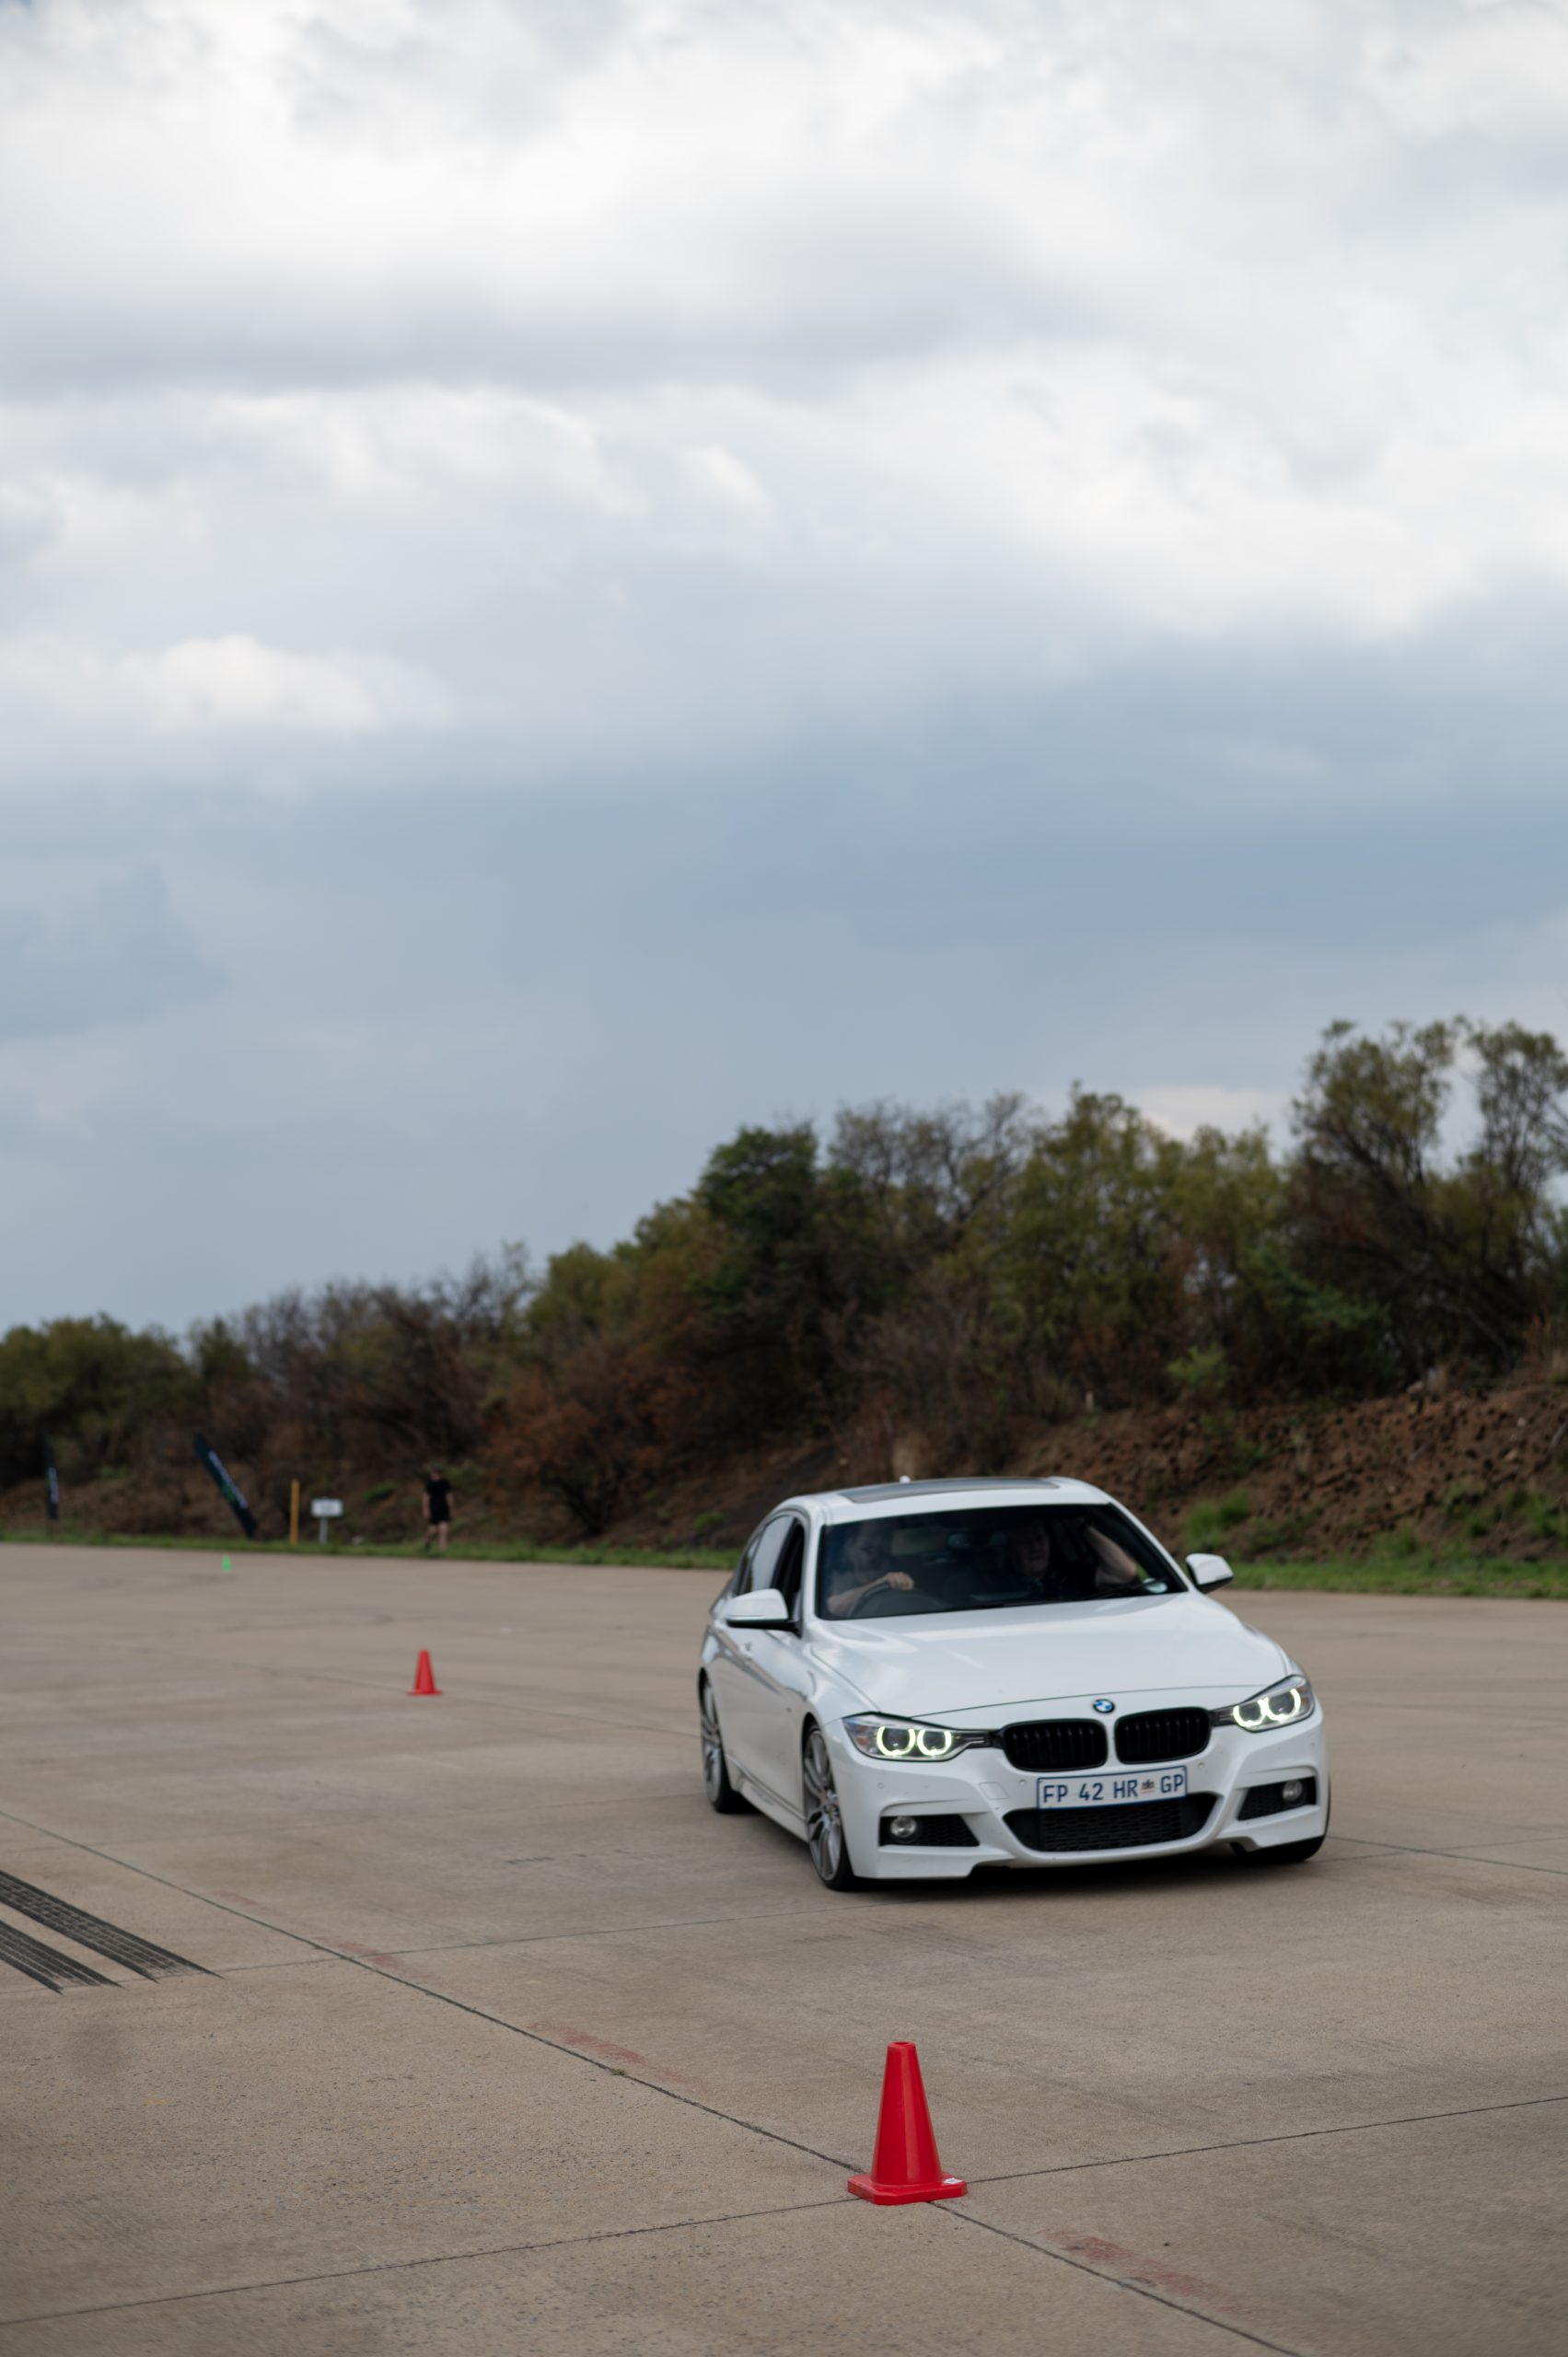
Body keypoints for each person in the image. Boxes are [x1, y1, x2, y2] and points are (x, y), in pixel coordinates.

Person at [823, 1523, 917, 1618]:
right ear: (849, 1545)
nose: (875, 1558)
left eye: (882, 1550)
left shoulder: (895, 1571)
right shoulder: (832, 1575)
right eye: (867, 1549)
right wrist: (878, 1584)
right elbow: (832, 1608)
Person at [422, 1467, 453, 1554]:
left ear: (440, 1475)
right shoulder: (429, 1484)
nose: (435, 1476)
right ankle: (426, 1541)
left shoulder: (445, 1483)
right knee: (433, 1530)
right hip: (433, 1510)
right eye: (434, 1474)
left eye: (437, 1474)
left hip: (444, 1509)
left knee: (444, 1529)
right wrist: (426, 1510)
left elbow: (449, 1496)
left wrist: (451, 1509)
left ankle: (442, 1550)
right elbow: (425, 1498)